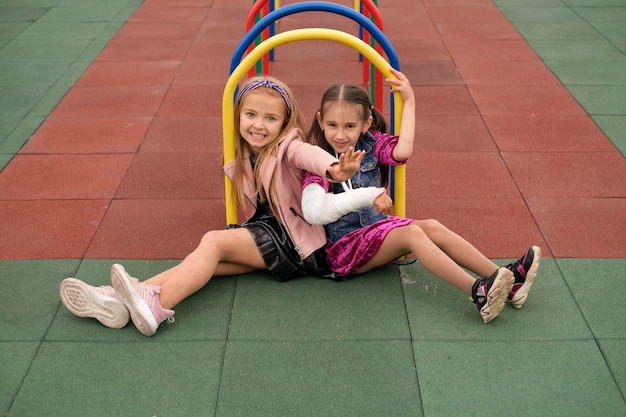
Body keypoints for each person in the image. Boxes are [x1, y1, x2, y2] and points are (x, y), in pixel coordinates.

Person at [60, 76, 364, 336]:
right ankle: (118, 301)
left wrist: (335, 169)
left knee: (213, 242)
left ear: (285, 123)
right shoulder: (244, 151)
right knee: (204, 260)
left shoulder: (289, 146)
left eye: (270, 119)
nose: (259, 125)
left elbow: (308, 154)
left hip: (298, 244)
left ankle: (156, 307)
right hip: (274, 233)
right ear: (238, 116)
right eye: (251, 115)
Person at [301, 68, 541, 323]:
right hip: (344, 250)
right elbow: (316, 210)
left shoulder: (371, 144)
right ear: (319, 120)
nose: (340, 134)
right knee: (414, 234)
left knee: (432, 227)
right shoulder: (318, 160)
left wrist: (410, 101)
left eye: (349, 126)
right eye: (332, 125)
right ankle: (477, 292)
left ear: (366, 124)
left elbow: (402, 151)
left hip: (376, 233)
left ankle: (508, 280)